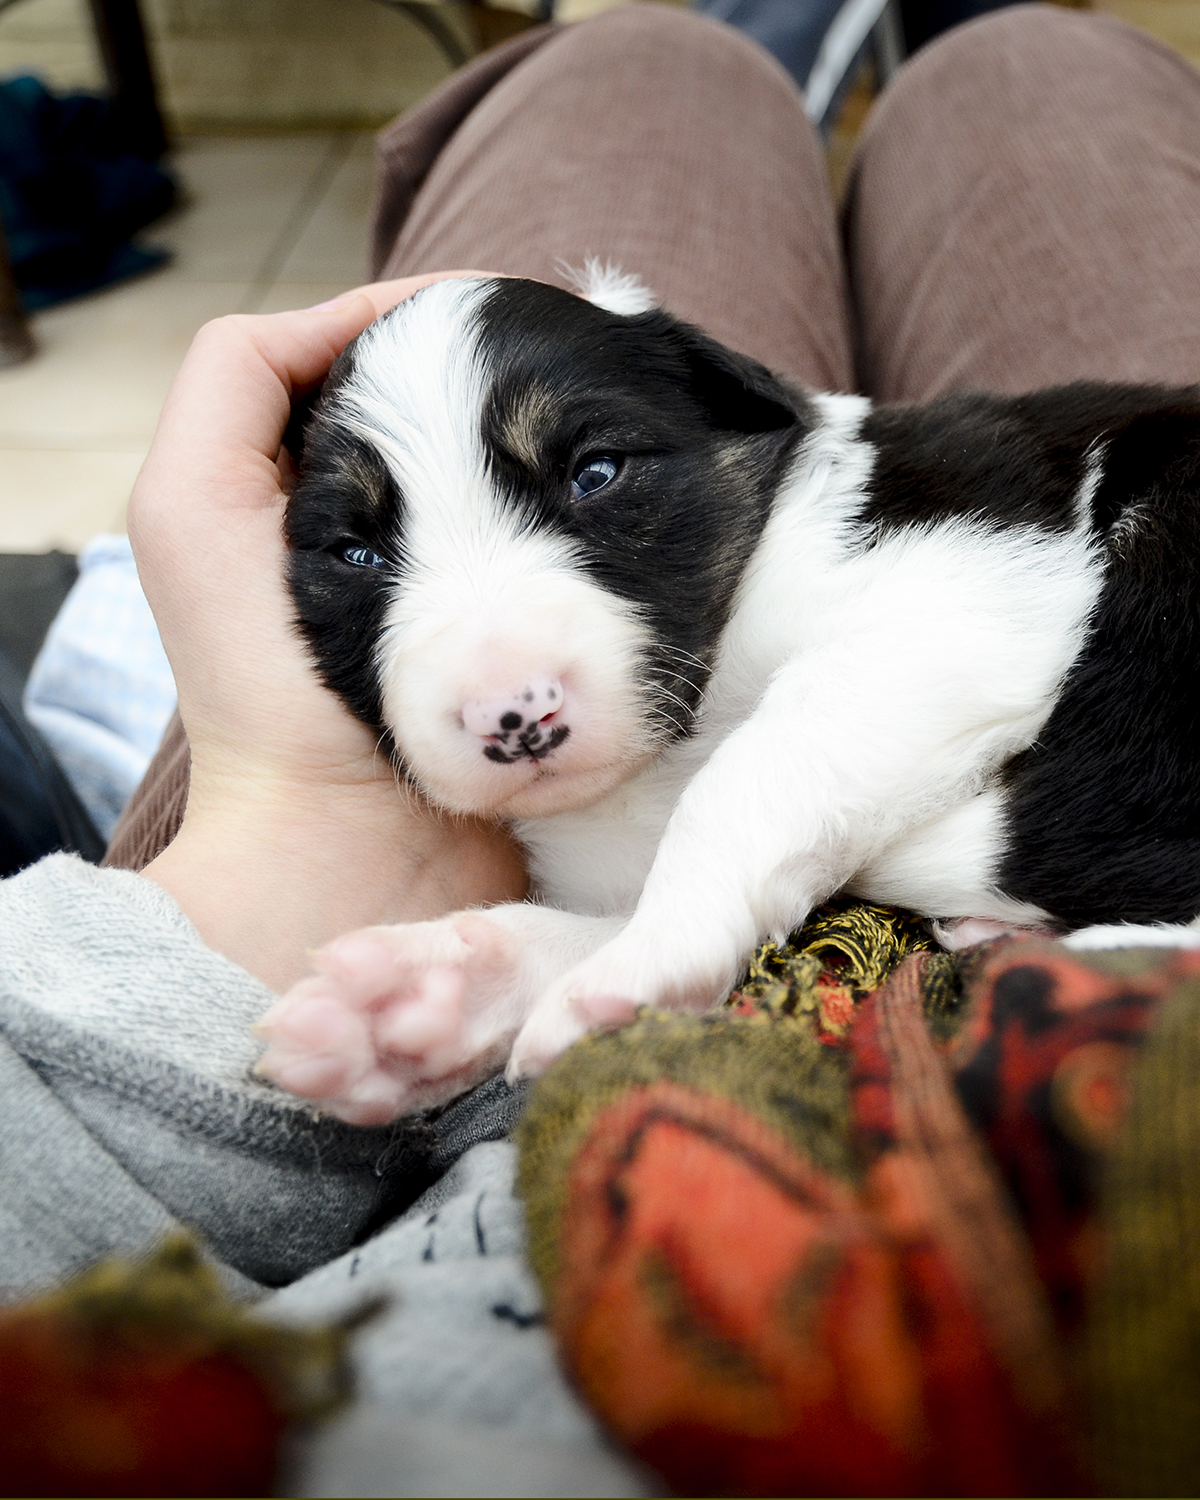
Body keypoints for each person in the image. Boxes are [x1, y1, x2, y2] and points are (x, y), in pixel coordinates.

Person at [5, 2, 1200, 1491]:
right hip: (1029, 992)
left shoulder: (855, 512)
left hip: (1119, 592)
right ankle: (909, 43)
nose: (504, 676)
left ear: (744, 416)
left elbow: (961, 647)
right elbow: (661, 942)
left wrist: (661, 906)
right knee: (1022, 79)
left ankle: (708, 45)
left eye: (595, 470)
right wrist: (535, 946)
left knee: (638, 76)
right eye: (360, 552)